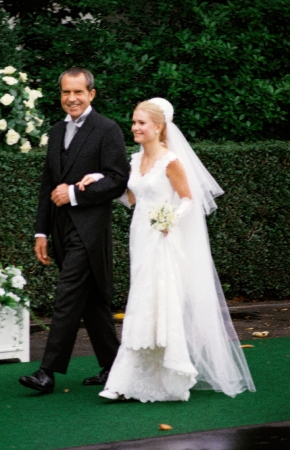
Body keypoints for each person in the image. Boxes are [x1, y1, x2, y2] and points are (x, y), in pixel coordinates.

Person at [78, 98, 255, 402]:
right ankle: (133, 377)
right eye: (133, 122)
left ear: (158, 127)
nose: (134, 127)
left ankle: (152, 376)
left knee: (158, 300)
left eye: (141, 123)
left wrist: (170, 218)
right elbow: (131, 197)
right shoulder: (134, 161)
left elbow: (189, 199)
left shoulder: (171, 161)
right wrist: (96, 178)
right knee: (141, 298)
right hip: (140, 236)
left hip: (162, 239)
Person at [19, 67, 128, 394]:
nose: (72, 98)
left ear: (91, 94)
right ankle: (115, 368)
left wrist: (77, 194)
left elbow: (117, 179)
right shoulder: (56, 131)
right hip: (61, 230)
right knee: (91, 300)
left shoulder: (107, 129)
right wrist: (41, 232)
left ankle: (47, 371)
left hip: (90, 232)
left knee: (66, 296)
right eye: (66, 92)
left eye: (78, 92)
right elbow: (47, 186)